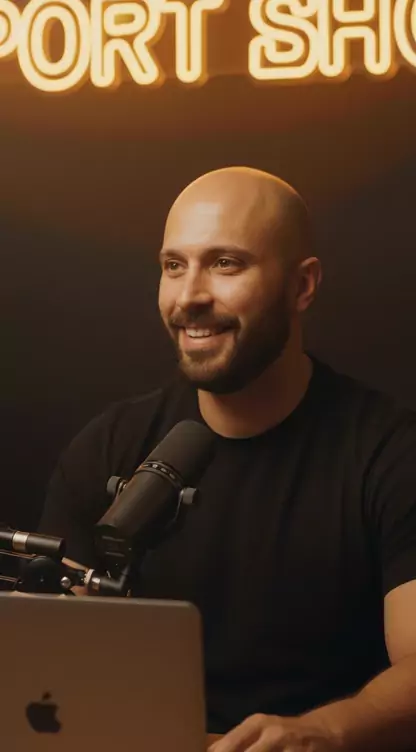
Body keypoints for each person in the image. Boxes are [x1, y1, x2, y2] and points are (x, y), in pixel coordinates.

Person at [38, 167, 416, 751]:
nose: (189, 296)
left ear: (302, 286)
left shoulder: (390, 451)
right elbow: (53, 657)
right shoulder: (109, 445)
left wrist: (325, 731)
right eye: (173, 266)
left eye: (225, 263)